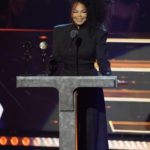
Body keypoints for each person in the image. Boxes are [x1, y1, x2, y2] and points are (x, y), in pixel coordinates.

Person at [48, 0, 111, 150]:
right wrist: (49, 70)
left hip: (90, 87)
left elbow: (102, 61)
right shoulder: (61, 31)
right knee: (71, 129)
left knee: (89, 130)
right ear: (71, 13)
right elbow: (55, 58)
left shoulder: (97, 32)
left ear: (88, 14)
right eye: (76, 11)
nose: (79, 15)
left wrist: (108, 74)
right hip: (67, 88)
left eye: (83, 11)